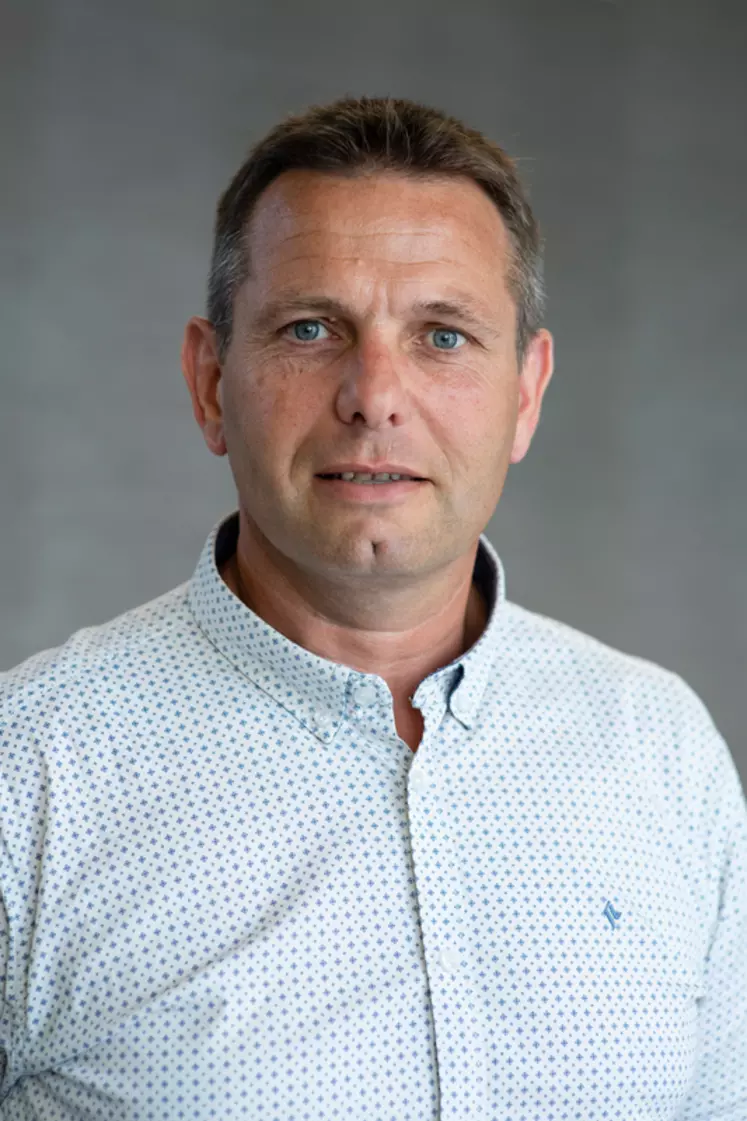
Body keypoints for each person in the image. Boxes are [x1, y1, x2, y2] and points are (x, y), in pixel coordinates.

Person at [1, 95, 745, 1120]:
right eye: (312, 328)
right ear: (212, 381)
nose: (375, 395)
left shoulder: (660, 748)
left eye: (443, 335)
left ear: (526, 393)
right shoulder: (28, 775)